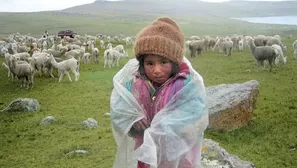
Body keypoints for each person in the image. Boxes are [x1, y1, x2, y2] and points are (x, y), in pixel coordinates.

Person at [110, 17, 209, 168]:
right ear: (142, 63)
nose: (156, 70)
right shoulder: (136, 84)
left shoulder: (184, 85)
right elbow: (120, 107)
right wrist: (132, 121)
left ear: (175, 61)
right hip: (146, 152)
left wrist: (167, 126)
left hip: (177, 154)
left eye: (164, 62)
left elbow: (195, 111)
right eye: (150, 63)